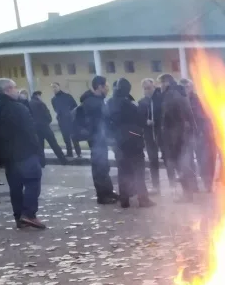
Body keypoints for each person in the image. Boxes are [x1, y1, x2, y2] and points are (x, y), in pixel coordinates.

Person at [0, 78, 44, 229]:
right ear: (7, 90)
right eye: (14, 87)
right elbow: (30, 131)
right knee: (33, 181)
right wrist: (38, 151)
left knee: (15, 187)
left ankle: (19, 217)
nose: (17, 90)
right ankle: (29, 214)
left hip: (6, 155)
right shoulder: (18, 108)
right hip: (24, 152)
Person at [107, 77, 153, 209]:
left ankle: (124, 199)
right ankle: (143, 199)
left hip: (118, 141)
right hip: (133, 140)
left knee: (123, 170)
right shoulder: (129, 103)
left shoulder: (110, 102)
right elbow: (140, 119)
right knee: (139, 170)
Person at [77, 75, 118, 204]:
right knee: (99, 166)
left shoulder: (96, 100)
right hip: (96, 138)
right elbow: (100, 121)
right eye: (106, 86)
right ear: (100, 87)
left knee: (103, 165)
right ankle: (102, 195)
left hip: (99, 138)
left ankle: (108, 191)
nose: (107, 89)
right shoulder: (92, 102)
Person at [158, 73, 198, 200]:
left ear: (166, 82)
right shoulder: (180, 93)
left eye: (161, 83)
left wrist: (169, 138)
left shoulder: (171, 96)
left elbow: (168, 118)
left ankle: (187, 194)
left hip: (176, 137)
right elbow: (189, 115)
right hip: (183, 136)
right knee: (183, 165)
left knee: (181, 165)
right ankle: (188, 193)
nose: (160, 86)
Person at [181, 79, 216, 192]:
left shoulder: (198, 100)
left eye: (187, 87)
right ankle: (193, 185)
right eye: (183, 87)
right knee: (188, 161)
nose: (186, 89)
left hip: (199, 134)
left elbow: (205, 117)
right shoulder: (179, 100)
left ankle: (208, 184)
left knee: (203, 160)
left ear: (191, 88)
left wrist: (202, 131)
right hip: (185, 135)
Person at [138, 78, 164, 192]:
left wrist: (158, 122)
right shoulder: (142, 102)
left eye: (149, 88)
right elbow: (138, 118)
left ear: (154, 87)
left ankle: (173, 183)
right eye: (145, 88)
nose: (147, 91)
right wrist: (145, 121)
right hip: (149, 135)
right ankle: (156, 185)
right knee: (153, 160)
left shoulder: (160, 99)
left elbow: (165, 114)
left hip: (161, 133)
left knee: (168, 158)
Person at [29, 91, 68, 166]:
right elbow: (47, 115)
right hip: (44, 127)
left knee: (40, 147)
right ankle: (63, 161)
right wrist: (48, 121)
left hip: (36, 128)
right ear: (38, 96)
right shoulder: (40, 103)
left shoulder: (29, 103)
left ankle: (42, 163)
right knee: (54, 144)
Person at [51, 82, 81, 159]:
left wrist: (70, 114)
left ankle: (78, 153)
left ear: (59, 87)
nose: (54, 88)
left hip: (70, 120)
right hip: (62, 121)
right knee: (66, 138)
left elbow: (75, 106)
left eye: (55, 86)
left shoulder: (67, 96)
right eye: (52, 87)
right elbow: (55, 109)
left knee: (74, 137)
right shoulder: (53, 99)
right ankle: (69, 153)